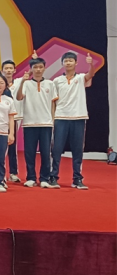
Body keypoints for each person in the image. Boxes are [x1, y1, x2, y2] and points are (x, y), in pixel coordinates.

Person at [50, 52, 95, 190]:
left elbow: (90, 75)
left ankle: (77, 178)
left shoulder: (81, 78)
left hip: (78, 117)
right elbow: (53, 102)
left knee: (78, 150)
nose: (68, 63)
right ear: (62, 63)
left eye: (71, 60)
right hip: (61, 117)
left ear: (76, 63)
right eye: (66, 61)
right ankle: (53, 176)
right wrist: (53, 118)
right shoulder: (57, 81)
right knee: (56, 149)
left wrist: (91, 64)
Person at [16, 57, 58, 188]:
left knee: (45, 153)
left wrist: (52, 120)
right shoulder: (26, 84)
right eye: (35, 67)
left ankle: (44, 178)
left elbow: (53, 103)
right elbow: (19, 97)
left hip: (46, 123)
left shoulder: (50, 84)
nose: (38, 70)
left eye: (40, 67)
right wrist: (22, 81)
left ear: (44, 68)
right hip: (29, 123)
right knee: (30, 153)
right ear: (31, 69)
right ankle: (31, 177)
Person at [2, 59, 23, 183]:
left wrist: (34, 59)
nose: (8, 70)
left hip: (14, 118)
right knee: (0, 147)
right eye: (6, 68)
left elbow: (31, 73)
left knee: (12, 146)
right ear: (2, 70)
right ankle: (0, 172)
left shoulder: (19, 82)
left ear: (14, 70)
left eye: (11, 68)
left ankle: (13, 173)